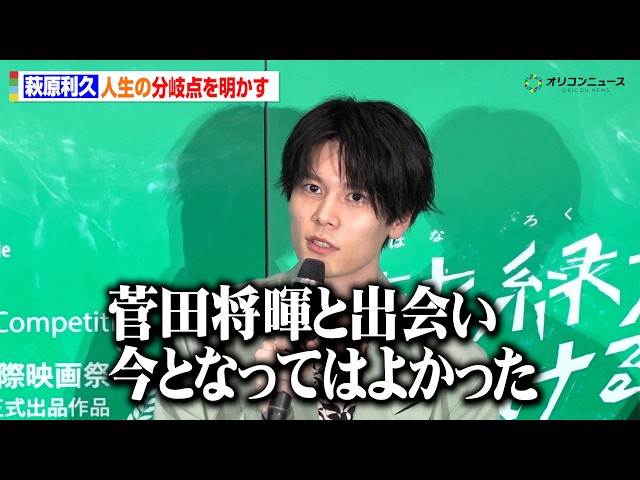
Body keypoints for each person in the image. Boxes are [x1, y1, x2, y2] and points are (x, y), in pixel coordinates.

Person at [153, 95, 500, 420]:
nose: (324, 215)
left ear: (400, 220)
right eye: (313, 188)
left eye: (356, 196)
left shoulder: (455, 364)